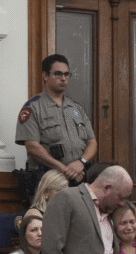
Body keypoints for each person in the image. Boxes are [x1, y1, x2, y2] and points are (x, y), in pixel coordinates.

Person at [15, 54, 96, 186]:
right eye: (58, 74)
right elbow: (32, 147)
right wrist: (65, 170)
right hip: (50, 180)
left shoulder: (76, 108)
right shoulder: (33, 108)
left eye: (66, 74)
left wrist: (81, 162)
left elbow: (92, 142)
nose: (63, 79)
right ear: (45, 76)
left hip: (79, 178)